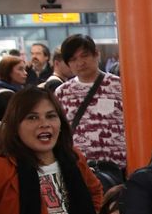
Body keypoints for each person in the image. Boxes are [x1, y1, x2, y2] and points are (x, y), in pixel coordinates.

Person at [54, 34, 127, 173]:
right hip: (78, 169)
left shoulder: (119, 86)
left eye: (84, 56)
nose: (80, 63)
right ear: (67, 64)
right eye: (73, 59)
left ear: (96, 54)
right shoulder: (62, 92)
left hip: (117, 168)